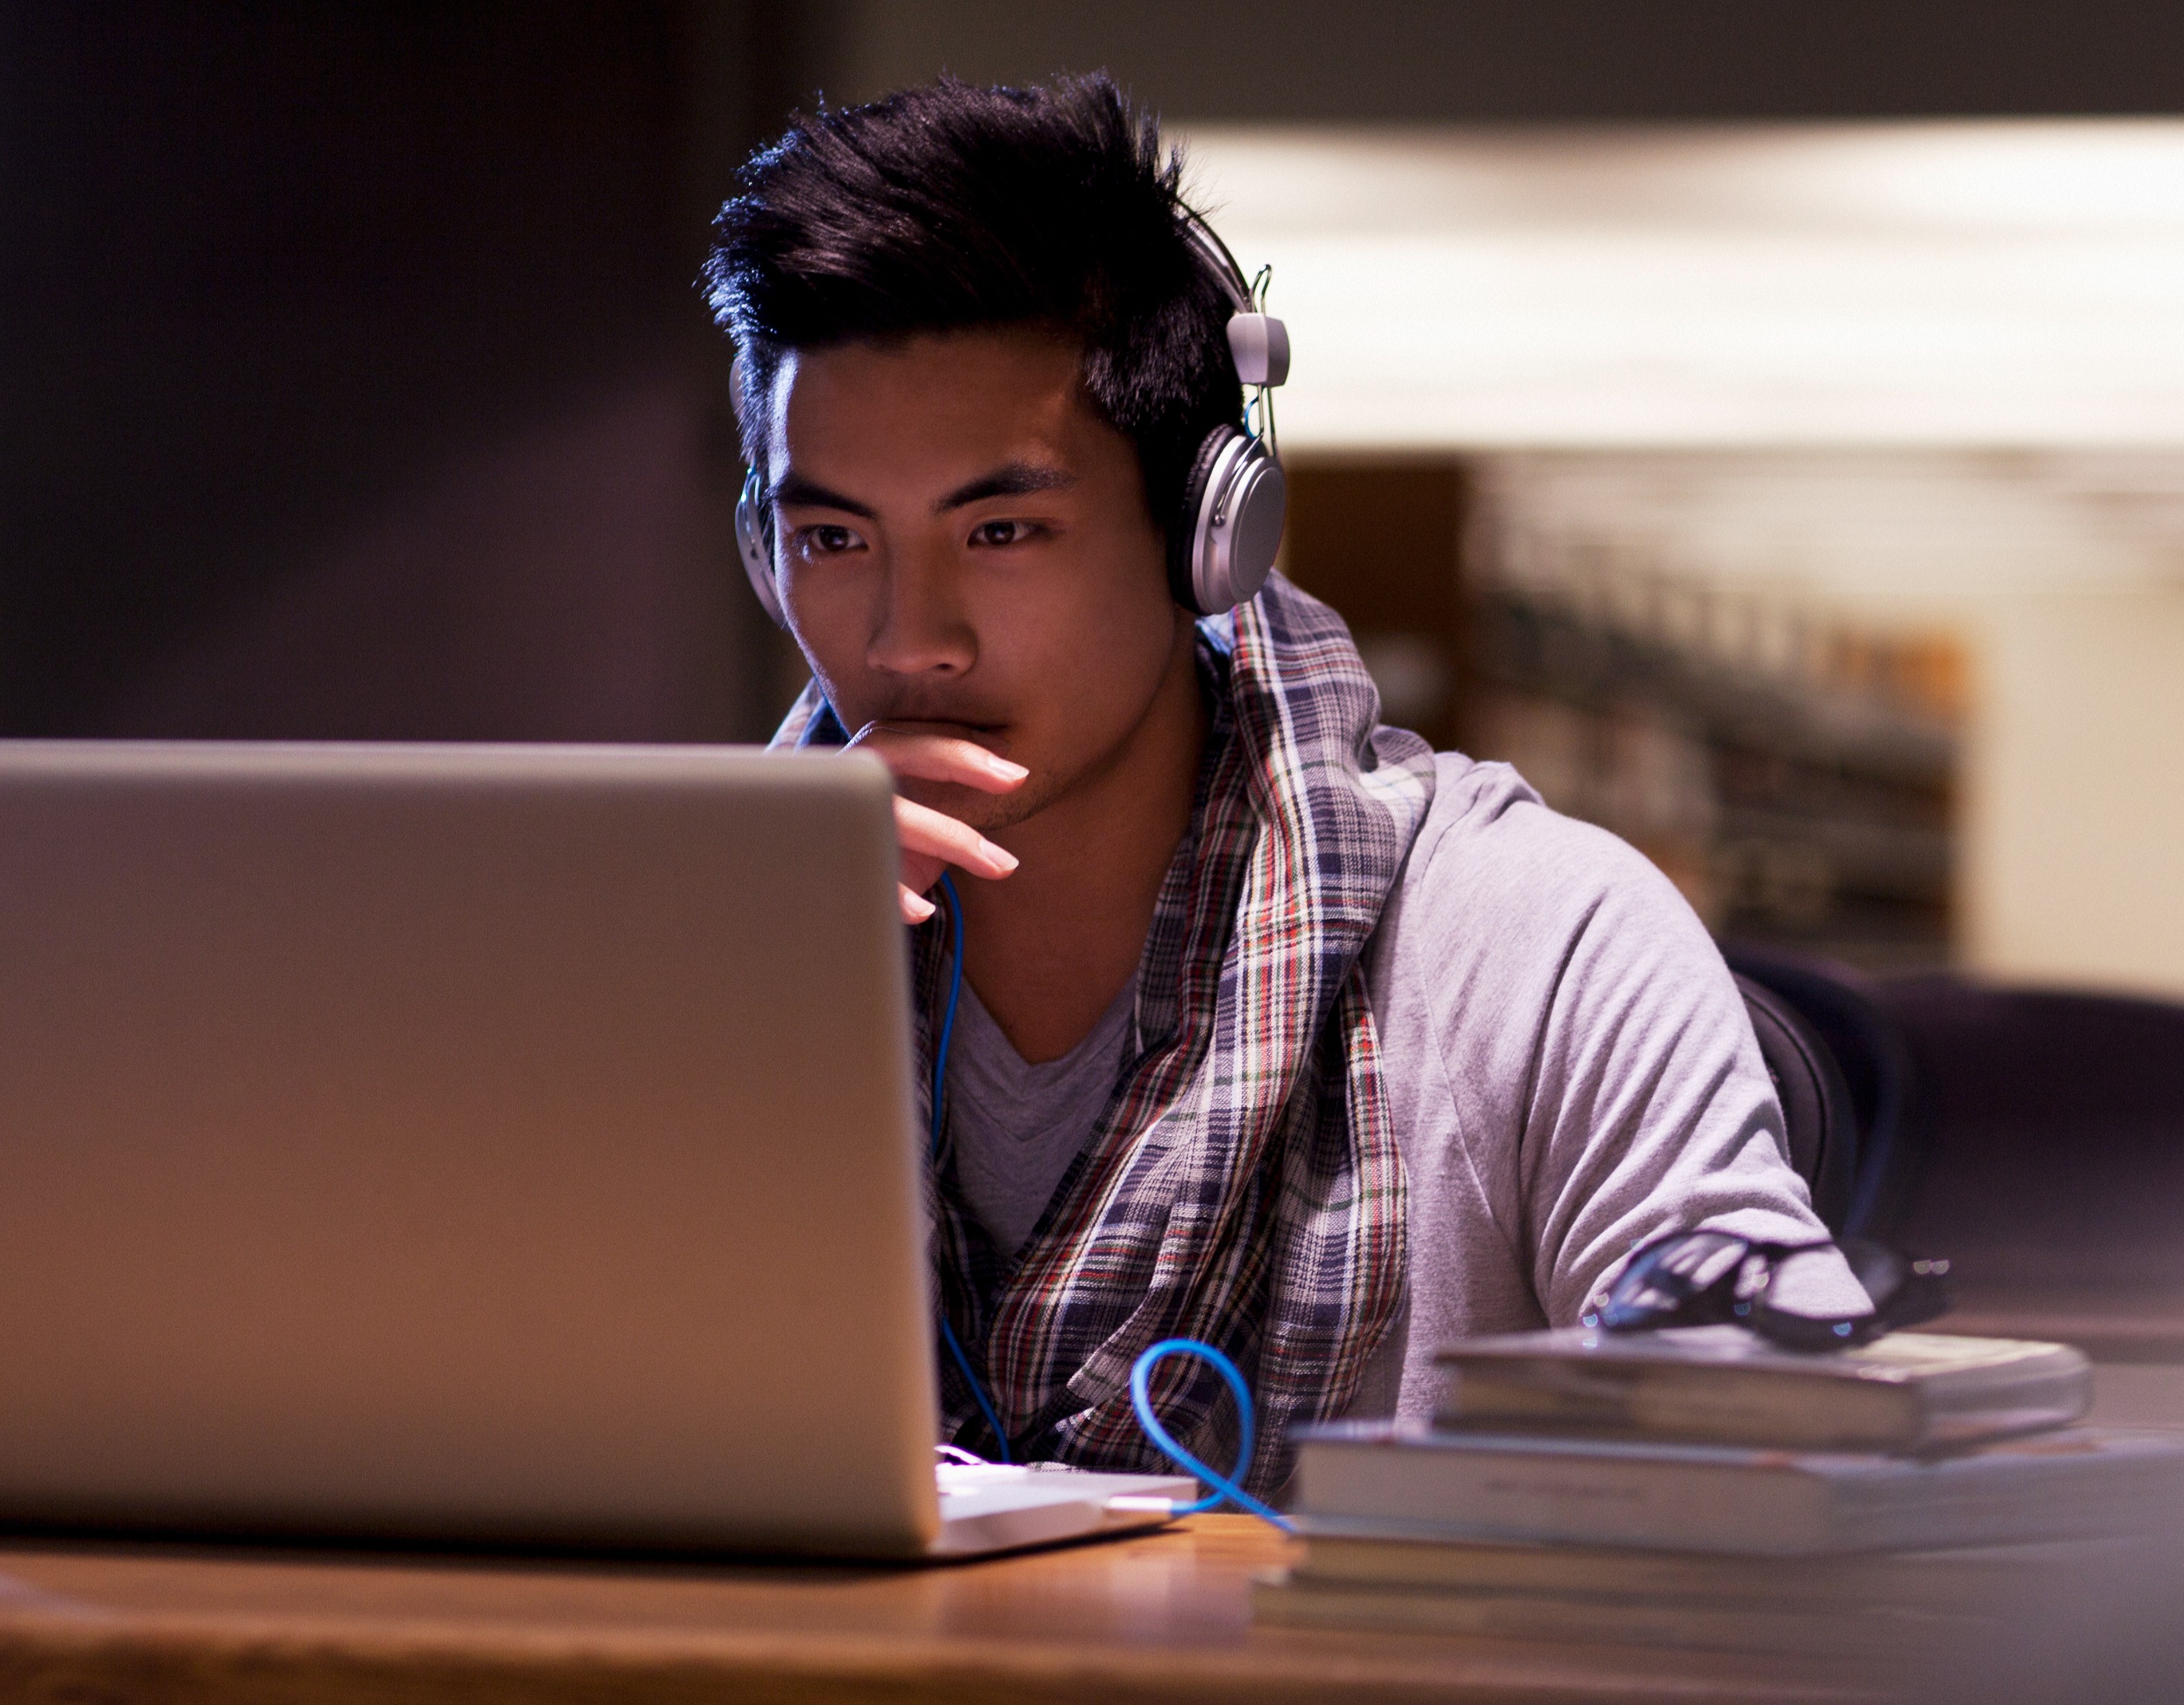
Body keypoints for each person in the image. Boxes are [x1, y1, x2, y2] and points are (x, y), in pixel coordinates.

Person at [699, 74, 1828, 1491]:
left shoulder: (1534, 941)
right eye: (834, 541)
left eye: (1000, 532)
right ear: (765, 555)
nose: (907, 640)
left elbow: (1792, 1446)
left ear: (1206, 535)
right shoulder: (703, 954)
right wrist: (741, 1013)